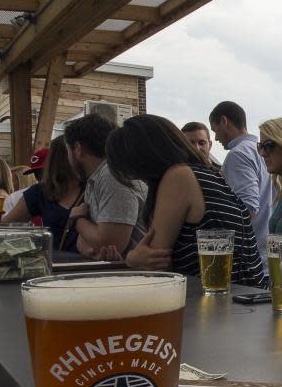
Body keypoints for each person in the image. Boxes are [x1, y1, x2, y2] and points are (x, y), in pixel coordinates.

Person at [104, 115, 265, 287]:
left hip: (227, 302)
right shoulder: (205, 174)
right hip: (244, 296)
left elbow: (155, 261)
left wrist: (131, 258)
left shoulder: (178, 176)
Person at [64, 114, 147, 259]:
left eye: (67, 151)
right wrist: (91, 240)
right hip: (121, 274)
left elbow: (110, 244)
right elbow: (82, 243)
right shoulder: (96, 178)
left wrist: (77, 219)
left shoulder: (113, 176)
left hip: (137, 277)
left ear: (78, 148)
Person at [210, 101, 272, 263]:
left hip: (251, 257)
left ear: (224, 121)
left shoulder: (238, 154)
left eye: (215, 130)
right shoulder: (262, 152)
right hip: (269, 255)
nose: (216, 138)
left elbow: (247, 208)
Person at [2, 138, 83, 251]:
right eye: (37, 175)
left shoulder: (95, 188)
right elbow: (4, 227)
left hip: (96, 265)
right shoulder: (40, 192)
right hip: (56, 265)